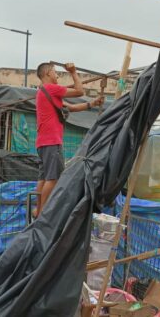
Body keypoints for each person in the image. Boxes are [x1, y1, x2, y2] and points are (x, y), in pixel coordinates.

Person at [34, 62, 104, 216]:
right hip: (52, 141)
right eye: (55, 72)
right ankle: (43, 212)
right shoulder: (51, 88)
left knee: (44, 178)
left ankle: (38, 209)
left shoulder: (43, 92)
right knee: (53, 178)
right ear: (47, 74)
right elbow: (79, 91)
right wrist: (73, 72)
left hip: (42, 142)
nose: (57, 75)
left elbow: (71, 108)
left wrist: (92, 103)